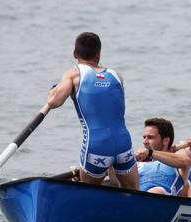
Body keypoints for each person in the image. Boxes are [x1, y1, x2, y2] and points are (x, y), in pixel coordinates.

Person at [46, 32, 138, 189]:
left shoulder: (74, 75)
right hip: (124, 145)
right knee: (135, 193)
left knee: (89, 195)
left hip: (96, 148)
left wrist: (60, 85)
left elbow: (54, 101)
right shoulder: (116, 75)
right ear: (99, 54)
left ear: (74, 53)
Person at [134, 118, 190, 196]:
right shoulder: (137, 163)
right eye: (144, 137)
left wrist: (150, 153)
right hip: (136, 196)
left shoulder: (178, 155)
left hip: (160, 196)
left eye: (150, 137)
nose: (145, 142)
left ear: (166, 141)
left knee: (155, 192)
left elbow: (186, 162)